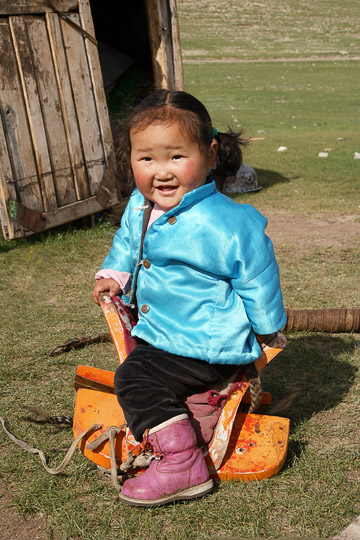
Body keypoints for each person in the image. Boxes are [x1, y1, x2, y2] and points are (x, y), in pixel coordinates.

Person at [92, 89, 287, 506]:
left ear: (210, 154)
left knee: (135, 378)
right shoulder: (140, 207)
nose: (161, 172)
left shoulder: (230, 223)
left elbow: (257, 275)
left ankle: (182, 464)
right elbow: (127, 244)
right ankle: (199, 407)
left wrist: (269, 329)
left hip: (205, 342)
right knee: (148, 366)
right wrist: (113, 275)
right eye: (147, 159)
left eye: (176, 156)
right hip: (166, 330)